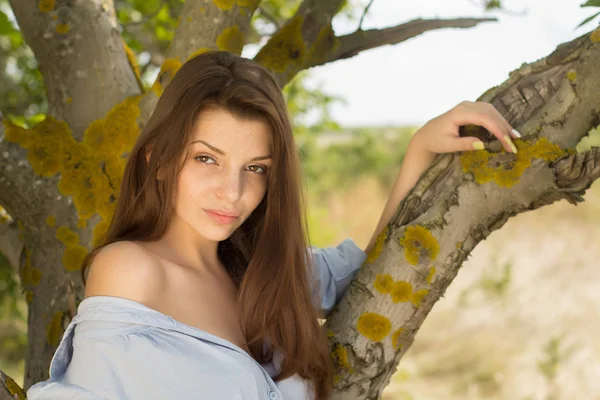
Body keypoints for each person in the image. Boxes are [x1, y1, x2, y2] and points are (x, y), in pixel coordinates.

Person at [26, 51, 520, 400]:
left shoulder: (263, 269)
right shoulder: (132, 271)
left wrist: (419, 151)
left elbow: (371, 273)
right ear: (158, 160)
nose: (233, 192)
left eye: (256, 168)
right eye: (206, 159)